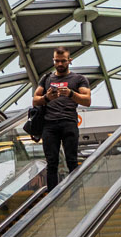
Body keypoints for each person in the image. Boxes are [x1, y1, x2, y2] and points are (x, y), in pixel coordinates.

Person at [32, 46, 91, 189]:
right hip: (49, 125)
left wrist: (71, 94)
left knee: (72, 160)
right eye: (57, 61)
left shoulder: (79, 79)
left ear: (70, 60)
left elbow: (87, 100)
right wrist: (47, 97)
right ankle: (52, 198)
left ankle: (75, 197)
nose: (59, 64)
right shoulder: (46, 78)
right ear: (53, 61)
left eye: (63, 61)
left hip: (69, 122)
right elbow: (35, 100)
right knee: (51, 162)